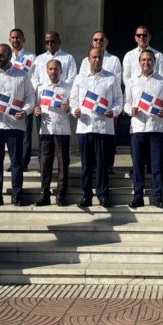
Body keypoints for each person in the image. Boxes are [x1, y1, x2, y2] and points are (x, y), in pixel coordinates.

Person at [0, 44, 35, 207]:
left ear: (10, 56)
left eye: (1, 55)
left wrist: (25, 111)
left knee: (16, 162)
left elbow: (30, 98)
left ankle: (17, 194)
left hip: (15, 126)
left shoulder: (22, 75)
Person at [72, 48, 123, 208]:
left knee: (102, 165)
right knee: (86, 165)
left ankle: (103, 195)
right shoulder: (80, 78)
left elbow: (118, 101)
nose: (97, 60)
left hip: (103, 128)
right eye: (94, 57)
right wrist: (75, 110)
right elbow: (73, 99)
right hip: (85, 127)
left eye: (99, 57)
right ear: (88, 59)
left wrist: (113, 112)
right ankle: (86, 195)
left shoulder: (111, 78)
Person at [125, 49, 163, 209]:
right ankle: (138, 196)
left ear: (154, 62)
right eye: (143, 60)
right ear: (139, 62)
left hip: (157, 128)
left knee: (156, 165)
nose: (146, 63)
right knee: (138, 165)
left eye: (149, 60)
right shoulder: (132, 81)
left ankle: (157, 196)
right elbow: (126, 103)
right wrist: (130, 110)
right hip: (138, 127)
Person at [30, 31, 77, 171]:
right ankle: (43, 167)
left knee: (61, 146)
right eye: (47, 42)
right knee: (44, 139)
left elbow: (71, 78)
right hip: (43, 102)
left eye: (53, 41)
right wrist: (43, 90)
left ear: (59, 41)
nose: (50, 44)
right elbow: (34, 79)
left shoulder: (68, 58)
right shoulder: (39, 59)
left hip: (60, 100)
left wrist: (57, 89)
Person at [80, 31, 123, 174]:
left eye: (101, 40)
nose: (98, 42)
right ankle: (93, 166)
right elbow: (82, 82)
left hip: (107, 106)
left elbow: (115, 81)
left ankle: (108, 165)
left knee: (108, 140)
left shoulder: (114, 60)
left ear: (106, 42)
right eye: (95, 39)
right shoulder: (85, 60)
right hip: (90, 108)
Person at [34, 59, 72, 206]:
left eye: (56, 69)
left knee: (63, 163)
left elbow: (75, 105)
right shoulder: (41, 88)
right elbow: (35, 106)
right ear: (46, 71)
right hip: (46, 129)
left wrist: (68, 108)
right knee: (45, 163)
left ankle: (61, 195)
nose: (53, 72)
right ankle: (45, 195)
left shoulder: (68, 87)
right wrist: (35, 110)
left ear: (61, 71)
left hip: (62, 129)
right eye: (50, 69)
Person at [8, 28, 37, 173]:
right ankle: (14, 161)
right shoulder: (7, 57)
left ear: (23, 40)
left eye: (18, 37)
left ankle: (23, 161)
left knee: (25, 131)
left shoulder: (31, 57)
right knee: (12, 131)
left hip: (25, 98)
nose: (15, 40)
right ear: (9, 40)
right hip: (10, 100)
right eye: (13, 38)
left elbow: (34, 78)